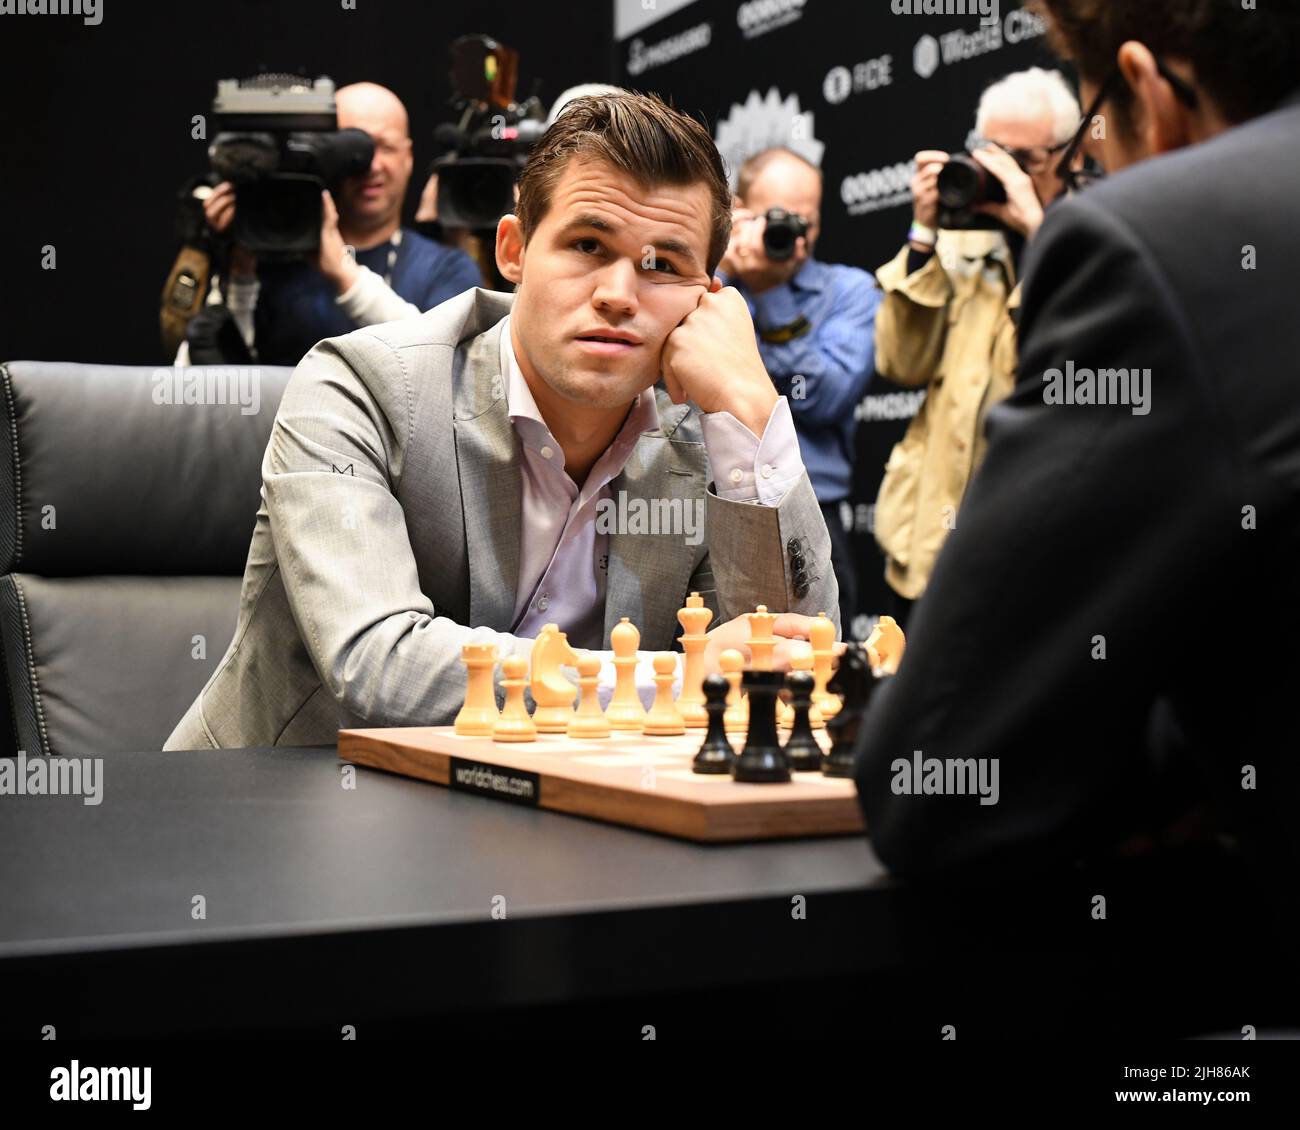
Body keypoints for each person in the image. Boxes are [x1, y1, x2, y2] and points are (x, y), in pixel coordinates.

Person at [165, 91, 840, 751]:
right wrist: (670, 679)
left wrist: (750, 412)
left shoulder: (704, 438)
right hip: (273, 817)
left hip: (553, 834)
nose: (617, 295)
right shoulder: (358, 386)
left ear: (708, 298)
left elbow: (791, 660)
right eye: (586, 245)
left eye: (662, 265)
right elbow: (377, 662)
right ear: (514, 250)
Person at [854, 0, 1300, 886]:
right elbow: (898, 359)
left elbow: (934, 787)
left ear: (1148, 88)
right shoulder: (975, 255)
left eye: (1091, 149)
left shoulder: (1138, 240)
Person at [872, 68, 1079, 627]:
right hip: (927, 547)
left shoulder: (1093, 241)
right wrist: (923, 235)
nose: (1002, 174)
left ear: (1070, 156)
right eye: (991, 156)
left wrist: (1040, 231)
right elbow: (900, 364)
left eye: (1024, 161)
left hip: (1028, 556)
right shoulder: (960, 243)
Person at [183, 82, 482, 367]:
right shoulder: (274, 262)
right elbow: (206, 392)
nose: (371, 165)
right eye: (353, 152)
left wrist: (341, 270)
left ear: (409, 157)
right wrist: (237, 273)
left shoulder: (447, 268)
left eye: (385, 146)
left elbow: (448, 366)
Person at [716, 148, 880, 631]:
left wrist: (770, 294)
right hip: (706, 502)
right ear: (740, 211)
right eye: (778, 218)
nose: (794, 235)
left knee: (814, 677)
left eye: (805, 221)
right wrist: (717, 271)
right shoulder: (709, 283)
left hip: (812, 513)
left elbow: (825, 397)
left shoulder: (849, 291)